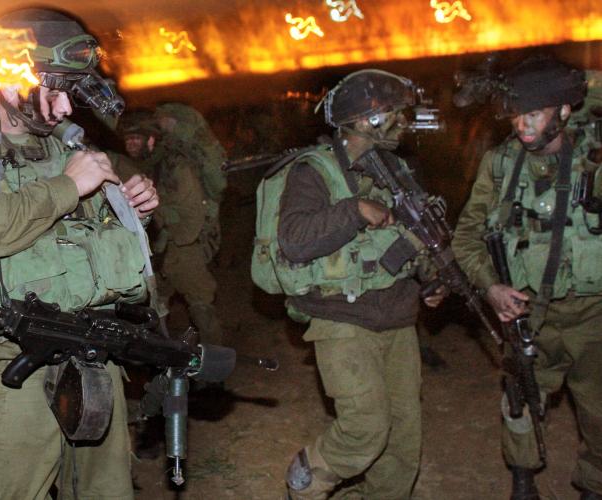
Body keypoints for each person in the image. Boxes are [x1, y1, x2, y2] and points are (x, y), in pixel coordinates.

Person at [0, 8, 158, 499]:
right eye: (56, 92)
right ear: (12, 77)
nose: (65, 110)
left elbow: (93, 242)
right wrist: (67, 186)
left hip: (92, 353)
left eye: (71, 95)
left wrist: (133, 211)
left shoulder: (66, 151)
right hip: (6, 367)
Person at [265, 70, 445, 500]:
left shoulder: (396, 169)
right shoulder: (313, 171)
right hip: (341, 318)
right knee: (365, 428)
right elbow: (295, 238)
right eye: (394, 114)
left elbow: (415, 240)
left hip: (398, 317)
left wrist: (433, 279)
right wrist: (353, 210)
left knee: (402, 439)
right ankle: (306, 482)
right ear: (367, 120)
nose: (404, 122)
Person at [452, 56, 602, 500]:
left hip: (595, 316)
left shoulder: (595, 158)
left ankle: (594, 486)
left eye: (533, 112)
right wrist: (491, 287)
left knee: (599, 412)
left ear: (563, 111)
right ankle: (522, 479)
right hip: (529, 313)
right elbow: (466, 238)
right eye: (517, 114)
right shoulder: (500, 164)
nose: (522, 124)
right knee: (519, 400)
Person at [119, 106, 225, 347]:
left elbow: (192, 213)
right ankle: (165, 362)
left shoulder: (175, 166)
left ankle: (214, 366)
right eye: (128, 139)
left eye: (136, 138)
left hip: (184, 246)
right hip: (161, 248)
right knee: (155, 306)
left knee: (201, 306)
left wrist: (168, 229)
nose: (131, 144)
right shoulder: (142, 166)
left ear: (151, 139)